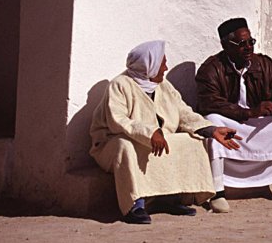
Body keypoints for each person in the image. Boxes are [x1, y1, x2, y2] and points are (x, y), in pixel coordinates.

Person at [90, 40, 238, 224]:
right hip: (112, 143)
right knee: (126, 146)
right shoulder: (120, 85)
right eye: (162, 63)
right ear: (149, 66)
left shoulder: (162, 84)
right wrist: (149, 133)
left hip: (154, 137)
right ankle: (135, 204)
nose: (166, 68)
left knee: (190, 141)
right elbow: (118, 121)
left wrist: (211, 129)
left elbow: (183, 112)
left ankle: (171, 199)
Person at [195, 17, 272, 212]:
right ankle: (217, 192)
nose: (248, 48)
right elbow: (209, 103)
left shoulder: (263, 64)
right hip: (233, 122)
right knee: (212, 122)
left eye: (250, 42)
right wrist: (250, 112)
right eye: (241, 44)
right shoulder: (210, 70)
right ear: (226, 45)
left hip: (258, 123)